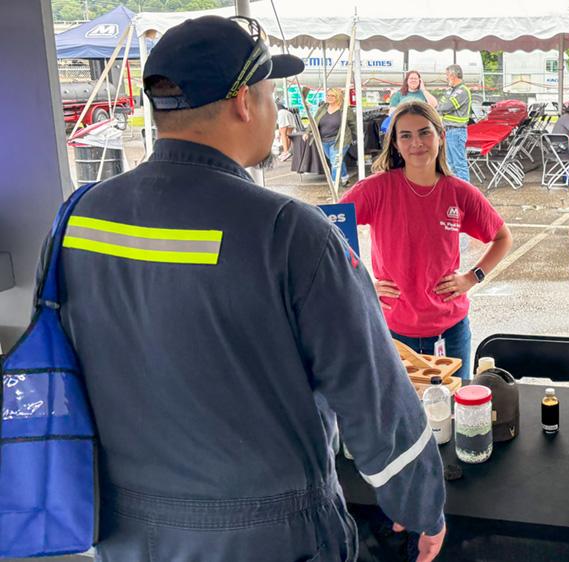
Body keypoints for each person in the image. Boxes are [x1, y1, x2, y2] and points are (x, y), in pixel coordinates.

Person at [56, 16, 446, 562]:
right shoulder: (291, 233)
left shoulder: (78, 217)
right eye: (270, 91)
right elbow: (373, 396)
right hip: (268, 535)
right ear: (244, 102)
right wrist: (421, 503)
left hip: (123, 532)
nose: (273, 105)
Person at [341, 101, 512, 381]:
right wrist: (359, 282)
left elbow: (503, 237)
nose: (416, 143)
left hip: (450, 330)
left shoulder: (460, 192)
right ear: (395, 144)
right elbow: (330, 230)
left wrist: (472, 276)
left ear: (440, 136)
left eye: (424, 133)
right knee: (402, 417)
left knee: (454, 413)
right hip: (393, 331)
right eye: (405, 136)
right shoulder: (375, 190)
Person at [307, 86, 356, 185]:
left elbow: (353, 124)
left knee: (335, 163)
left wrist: (356, 137)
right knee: (336, 161)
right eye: (328, 95)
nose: (329, 97)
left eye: (332, 96)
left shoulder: (345, 110)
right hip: (324, 140)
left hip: (340, 141)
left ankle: (334, 184)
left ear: (338, 97)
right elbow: (314, 121)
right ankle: (345, 178)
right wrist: (308, 132)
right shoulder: (323, 108)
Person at [436, 64, 472, 182]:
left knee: (459, 164)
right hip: (449, 131)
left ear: (453, 75)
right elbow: (439, 105)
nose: (446, 78)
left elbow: (446, 106)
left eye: (447, 75)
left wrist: (442, 107)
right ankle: (457, 191)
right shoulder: (450, 90)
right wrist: (441, 107)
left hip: (457, 131)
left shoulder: (462, 91)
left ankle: (466, 194)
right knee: (450, 164)